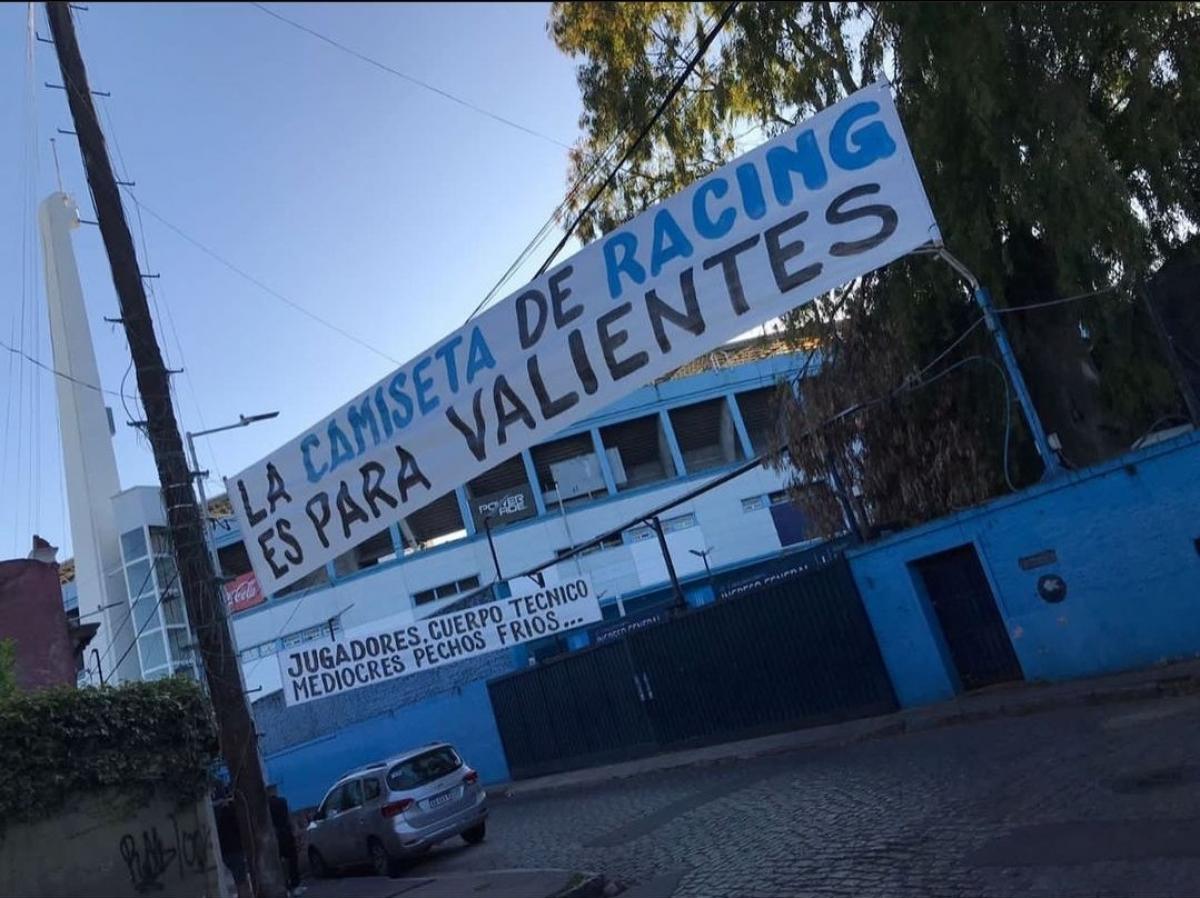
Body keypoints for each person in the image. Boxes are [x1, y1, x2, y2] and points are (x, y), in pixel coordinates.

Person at [267, 784, 301, 890]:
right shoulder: (283, 801)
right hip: (286, 833)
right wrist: (295, 831)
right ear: (275, 791)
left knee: (279, 861)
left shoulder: (266, 806)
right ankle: (295, 883)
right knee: (292, 859)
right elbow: (289, 817)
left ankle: (285, 883)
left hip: (275, 835)